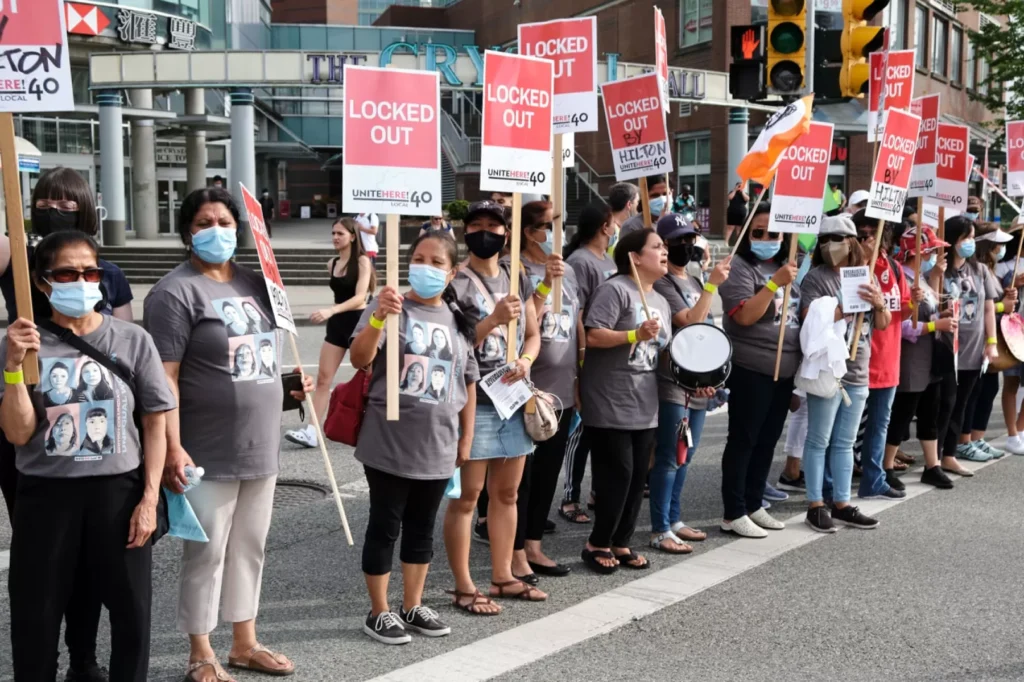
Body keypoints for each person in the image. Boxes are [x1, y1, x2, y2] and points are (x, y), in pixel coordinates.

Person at [144, 187, 313, 681]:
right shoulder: (173, 293)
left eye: (224, 221)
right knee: (207, 551)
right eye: (204, 223)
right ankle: (200, 651)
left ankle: (245, 642)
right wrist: (173, 447)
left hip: (261, 443)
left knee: (249, 547)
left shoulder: (257, 285)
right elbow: (165, 379)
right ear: (187, 233)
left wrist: (290, 384)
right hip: (205, 449)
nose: (216, 230)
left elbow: (260, 356)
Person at [1, 230, 176, 681]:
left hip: (118, 494)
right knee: (36, 616)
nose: (81, 281)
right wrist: (13, 368)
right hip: (46, 495)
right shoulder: (24, 344)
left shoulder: (132, 339)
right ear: (42, 281)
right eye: (67, 273)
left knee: (131, 613)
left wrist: (149, 500)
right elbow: (18, 432)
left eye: (90, 272)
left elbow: (155, 421)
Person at [349, 232, 478, 644]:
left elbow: (468, 381)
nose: (426, 267)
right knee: (385, 525)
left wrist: (466, 438)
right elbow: (360, 358)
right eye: (419, 259)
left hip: (439, 443)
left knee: (422, 528)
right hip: (388, 442)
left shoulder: (458, 319)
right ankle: (379, 611)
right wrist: (377, 319)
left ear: (452, 272)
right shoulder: (390, 306)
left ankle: (413, 604)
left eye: (437, 262)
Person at [446, 200, 544, 613]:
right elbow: (453, 346)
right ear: (465, 232)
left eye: (494, 225)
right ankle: (464, 585)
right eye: (476, 225)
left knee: (507, 493)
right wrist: (493, 319)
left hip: (513, 399)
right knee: (468, 496)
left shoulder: (515, 275)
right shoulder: (454, 283)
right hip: (475, 401)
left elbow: (533, 334)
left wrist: (526, 361)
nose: (484, 232)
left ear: (507, 234)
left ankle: (503, 576)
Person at [578, 228, 670, 574]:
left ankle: (621, 541)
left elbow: (662, 351)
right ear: (634, 257)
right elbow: (593, 335)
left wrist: (697, 379)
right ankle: (597, 542)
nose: (664, 251)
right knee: (618, 473)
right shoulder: (615, 289)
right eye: (656, 247)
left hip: (645, 401)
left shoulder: (660, 299)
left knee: (637, 478)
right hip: (610, 398)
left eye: (664, 246)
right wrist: (634, 334)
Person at [799, 214, 890, 533]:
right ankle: (815, 504)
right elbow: (808, 320)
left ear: (851, 242)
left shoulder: (864, 274)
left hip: (859, 368)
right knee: (818, 438)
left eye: (836, 239)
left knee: (845, 442)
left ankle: (841, 503)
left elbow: (882, 324)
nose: (830, 246)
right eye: (824, 240)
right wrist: (841, 309)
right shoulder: (815, 278)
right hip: (828, 368)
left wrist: (878, 303)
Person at [716, 202, 800, 538]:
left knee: (767, 440)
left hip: (784, 370)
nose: (767, 239)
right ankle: (733, 511)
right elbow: (744, 316)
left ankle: (754, 503)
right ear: (746, 233)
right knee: (744, 439)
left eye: (774, 233)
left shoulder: (788, 265)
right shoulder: (738, 267)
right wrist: (773, 285)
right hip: (751, 368)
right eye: (759, 232)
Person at [650, 213, 730, 553]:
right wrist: (712, 286)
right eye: (677, 241)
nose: (685, 246)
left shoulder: (694, 281)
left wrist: (709, 376)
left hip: (697, 383)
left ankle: (674, 519)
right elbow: (688, 321)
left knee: (687, 453)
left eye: (689, 239)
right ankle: (660, 527)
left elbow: (705, 333)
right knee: (670, 455)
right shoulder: (663, 283)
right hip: (673, 381)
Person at [511, 200, 581, 578]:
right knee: (520, 480)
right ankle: (514, 550)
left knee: (548, 474)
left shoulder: (567, 270)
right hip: (527, 392)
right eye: (548, 226)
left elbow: (577, 323)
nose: (556, 233)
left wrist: (580, 374)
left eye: (559, 224)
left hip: (561, 391)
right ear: (529, 232)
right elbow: (524, 325)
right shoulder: (514, 270)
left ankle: (534, 545)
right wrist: (543, 285)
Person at [285, 217, 375, 448]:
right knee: (324, 378)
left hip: (358, 322)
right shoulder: (332, 263)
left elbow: (360, 298)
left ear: (352, 236)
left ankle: (378, 426)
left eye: (340, 233)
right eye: (333, 233)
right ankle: (312, 431)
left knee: (371, 377)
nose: (335, 237)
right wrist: (332, 312)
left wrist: (331, 310)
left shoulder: (363, 261)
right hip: (337, 324)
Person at [884, 226, 958, 490]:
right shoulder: (901, 279)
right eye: (928, 251)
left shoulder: (923, 279)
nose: (931, 255)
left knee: (930, 412)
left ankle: (932, 465)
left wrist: (941, 316)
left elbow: (929, 311)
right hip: (910, 358)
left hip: (930, 358)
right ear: (916, 252)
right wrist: (934, 325)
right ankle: (886, 465)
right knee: (903, 413)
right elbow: (901, 324)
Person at [560, 202, 619, 524]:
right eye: (613, 222)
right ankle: (570, 497)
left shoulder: (607, 259)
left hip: (605, 359)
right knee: (580, 431)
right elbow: (578, 314)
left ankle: (597, 491)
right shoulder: (580, 261)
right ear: (604, 226)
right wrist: (581, 356)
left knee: (600, 430)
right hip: (586, 354)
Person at [849, 212, 911, 500]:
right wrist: (862, 261)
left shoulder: (894, 267)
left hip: (889, 360)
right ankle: (830, 488)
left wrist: (916, 303)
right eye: (861, 235)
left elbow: (902, 312)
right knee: (846, 432)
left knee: (879, 426)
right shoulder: (851, 267)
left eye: (873, 233)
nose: (868, 240)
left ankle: (874, 480)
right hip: (859, 362)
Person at [935, 216, 1000, 474]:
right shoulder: (939, 270)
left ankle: (949, 455)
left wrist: (991, 342)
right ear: (953, 240)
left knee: (961, 404)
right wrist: (935, 274)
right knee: (945, 404)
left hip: (974, 350)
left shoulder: (980, 270)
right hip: (947, 349)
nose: (971, 242)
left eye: (972, 237)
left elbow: (988, 309)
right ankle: (934, 457)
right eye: (966, 237)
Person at [959, 223, 1016, 459]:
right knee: (973, 392)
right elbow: (977, 307)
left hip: (989, 340)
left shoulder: (987, 269)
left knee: (987, 389)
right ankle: (963, 441)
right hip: (975, 341)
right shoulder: (973, 270)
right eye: (996, 244)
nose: (1001, 249)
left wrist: (1009, 296)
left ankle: (977, 437)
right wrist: (1004, 305)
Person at [725, 182, 750, 246]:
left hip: (741, 213)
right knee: (730, 227)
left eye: (740, 186)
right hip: (732, 212)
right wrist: (735, 190)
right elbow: (729, 198)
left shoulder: (744, 193)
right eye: (738, 186)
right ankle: (726, 242)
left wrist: (742, 191)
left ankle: (739, 243)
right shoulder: (732, 192)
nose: (739, 187)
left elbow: (747, 199)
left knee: (739, 228)